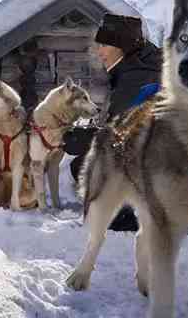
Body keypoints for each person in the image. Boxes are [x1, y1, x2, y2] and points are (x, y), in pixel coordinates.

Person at [64, 14, 161, 231]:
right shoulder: (144, 67)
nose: (99, 51)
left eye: (105, 44)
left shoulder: (136, 79)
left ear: (122, 46)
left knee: (85, 167)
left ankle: (128, 218)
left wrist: (86, 139)